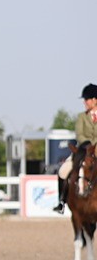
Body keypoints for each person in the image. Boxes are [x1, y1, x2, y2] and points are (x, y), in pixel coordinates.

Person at [53, 83, 97, 213]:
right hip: (83, 151)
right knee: (63, 171)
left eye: (86, 99)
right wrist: (89, 145)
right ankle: (61, 201)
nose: (84, 102)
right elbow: (80, 134)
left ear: (95, 100)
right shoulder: (81, 117)